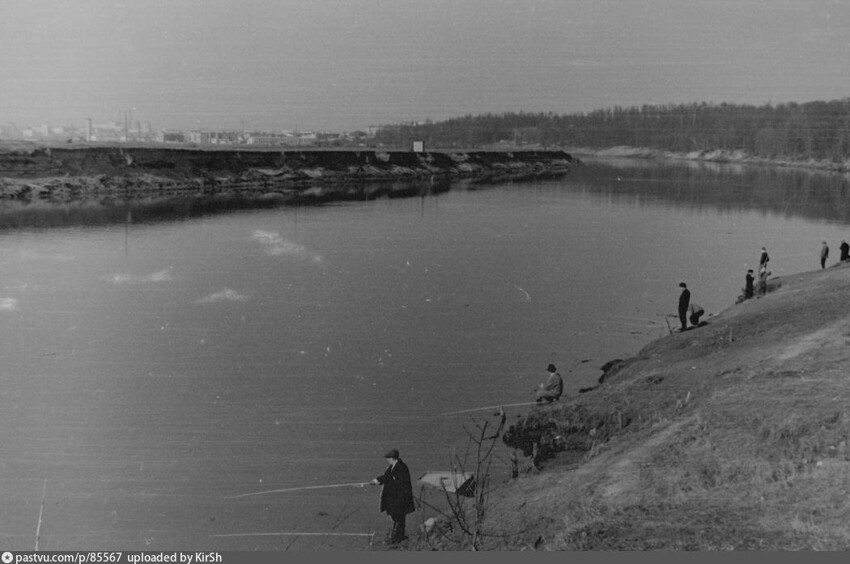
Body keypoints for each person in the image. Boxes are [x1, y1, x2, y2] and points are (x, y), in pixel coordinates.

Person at [370, 448, 415, 545]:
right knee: (397, 517)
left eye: (388, 458)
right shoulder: (393, 467)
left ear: (392, 458)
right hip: (395, 499)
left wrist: (377, 481)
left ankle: (397, 538)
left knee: (398, 518)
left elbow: (391, 479)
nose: (387, 460)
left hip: (400, 499)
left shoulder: (401, 467)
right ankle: (397, 537)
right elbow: (387, 477)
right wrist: (377, 480)